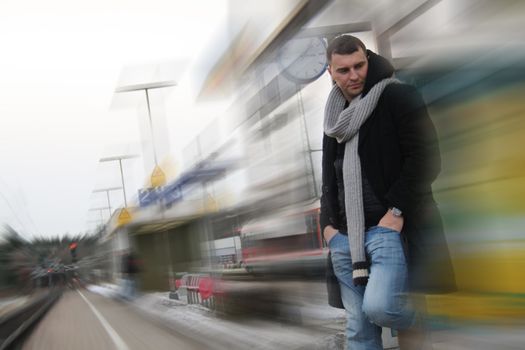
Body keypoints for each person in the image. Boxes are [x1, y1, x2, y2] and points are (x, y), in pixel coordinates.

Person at [320, 35, 455, 349]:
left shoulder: (398, 96)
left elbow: (425, 158)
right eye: (343, 70)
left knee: (380, 308)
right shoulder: (334, 117)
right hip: (343, 237)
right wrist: (327, 227)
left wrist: (395, 212)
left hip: (388, 229)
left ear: (368, 59)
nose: (353, 76)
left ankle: (420, 319)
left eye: (359, 65)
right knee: (358, 329)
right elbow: (329, 176)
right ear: (330, 72)